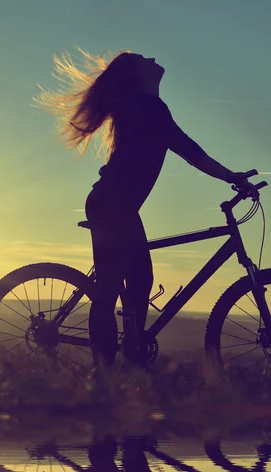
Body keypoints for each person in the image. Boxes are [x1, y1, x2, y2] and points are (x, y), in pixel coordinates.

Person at [36, 50, 245, 368]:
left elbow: (188, 149)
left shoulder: (144, 107)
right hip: (112, 205)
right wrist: (230, 176)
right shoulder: (149, 108)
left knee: (140, 280)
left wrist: (230, 176)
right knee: (110, 289)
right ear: (139, 75)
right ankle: (106, 374)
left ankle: (130, 353)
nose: (155, 58)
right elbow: (190, 150)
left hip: (116, 205)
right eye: (146, 59)